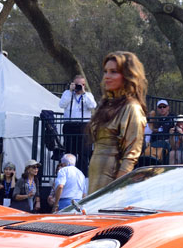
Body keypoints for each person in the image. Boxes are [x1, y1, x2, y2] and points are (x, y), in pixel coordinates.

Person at [86, 51, 147, 194]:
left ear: (127, 75)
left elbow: (131, 155)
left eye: (113, 72)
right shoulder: (105, 105)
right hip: (96, 172)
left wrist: (117, 189)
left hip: (112, 179)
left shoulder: (132, 108)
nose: (107, 76)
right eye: (106, 71)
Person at [59, 74, 97, 171]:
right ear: (72, 84)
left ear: (85, 85)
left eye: (82, 84)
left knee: (84, 152)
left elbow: (92, 106)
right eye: (77, 84)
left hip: (84, 126)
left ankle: (82, 175)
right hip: (69, 125)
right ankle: (70, 173)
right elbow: (62, 104)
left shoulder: (88, 95)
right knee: (69, 152)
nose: (79, 86)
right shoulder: (67, 93)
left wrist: (83, 93)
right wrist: (70, 91)